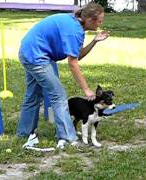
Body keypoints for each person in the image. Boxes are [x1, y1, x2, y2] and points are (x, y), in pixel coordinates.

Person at [16, 2, 109, 149]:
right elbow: (72, 64)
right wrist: (86, 89)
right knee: (58, 96)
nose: (101, 23)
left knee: (33, 95)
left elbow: (77, 55)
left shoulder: (77, 26)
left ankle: (23, 133)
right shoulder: (74, 30)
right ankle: (67, 137)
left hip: (33, 52)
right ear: (90, 20)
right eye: (99, 21)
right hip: (36, 56)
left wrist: (94, 41)